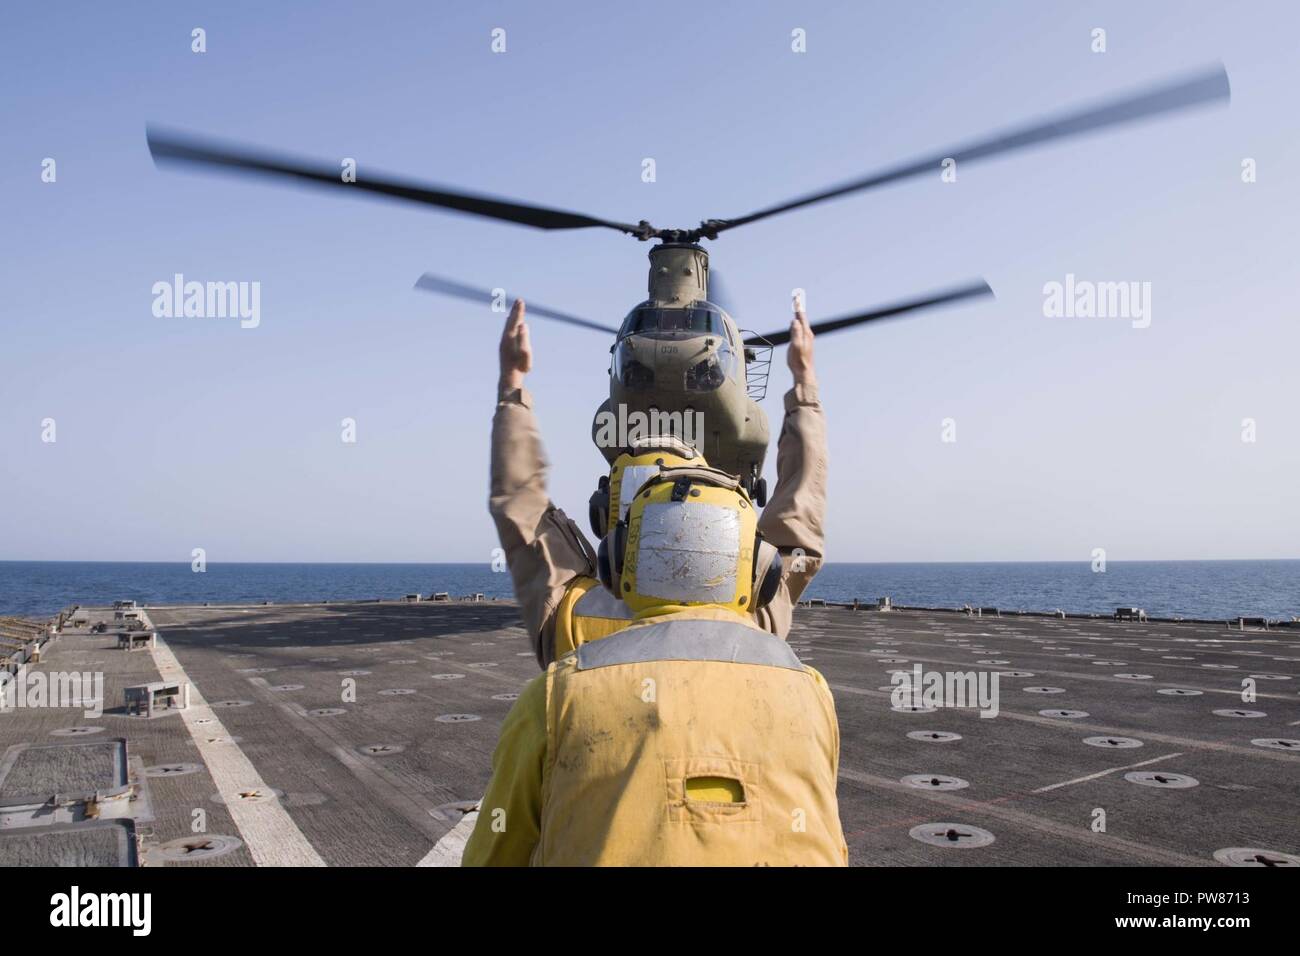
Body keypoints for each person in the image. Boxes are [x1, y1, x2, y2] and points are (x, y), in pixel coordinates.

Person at [462, 464, 847, 866]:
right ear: (761, 574)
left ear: (616, 565)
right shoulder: (812, 693)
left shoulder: (555, 696)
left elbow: (494, 851)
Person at [489, 297, 826, 668]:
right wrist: (804, 384)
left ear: (615, 549)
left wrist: (512, 385)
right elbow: (800, 511)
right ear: (754, 563)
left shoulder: (572, 624)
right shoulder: (757, 624)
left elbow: (519, 504)